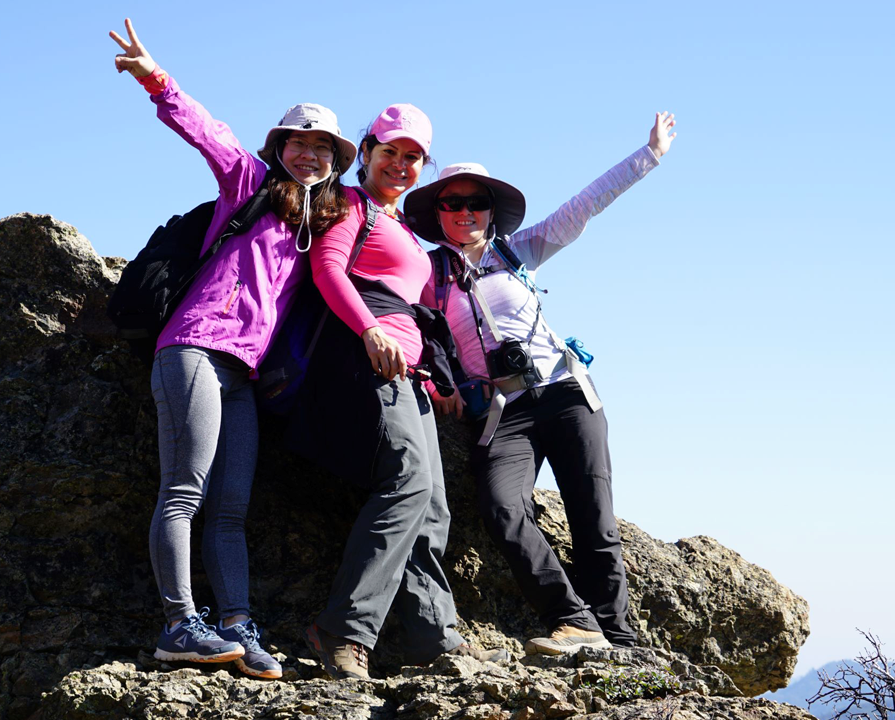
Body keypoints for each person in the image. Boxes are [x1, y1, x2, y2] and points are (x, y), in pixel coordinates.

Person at [109, 18, 358, 679]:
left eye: (323, 148)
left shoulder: (323, 224)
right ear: (280, 148)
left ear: (334, 160)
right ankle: (178, 624)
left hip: (242, 375)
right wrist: (157, 79)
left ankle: (236, 624)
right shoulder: (248, 183)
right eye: (299, 144)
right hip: (191, 347)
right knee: (184, 491)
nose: (311, 155)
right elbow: (208, 132)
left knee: (231, 508)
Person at [403, 112, 677, 655]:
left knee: (592, 517)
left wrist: (648, 156)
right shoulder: (428, 274)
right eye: (451, 204)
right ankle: (573, 619)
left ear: (490, 210)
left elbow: (586, 205)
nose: (464, 212)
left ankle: (618, 641)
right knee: (503, 509)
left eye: (474, 203)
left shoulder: (518, 250)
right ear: (437, 213)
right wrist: (440, 383)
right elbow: (409, 326)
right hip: (504, 410)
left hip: (568, 395)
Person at [300, 104, 507, 680]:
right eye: (389, 151)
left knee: (432, 506)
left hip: (409, 377)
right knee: (408, 484)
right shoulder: (350, 205)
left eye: (412, 156)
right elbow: (328, 268)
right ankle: (341, 631)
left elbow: (417, 311)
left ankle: (431, 636)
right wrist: (368, 330)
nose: (399, 163)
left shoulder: (407, 233)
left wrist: (435, 379)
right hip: (366, 362)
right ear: (365, 153)